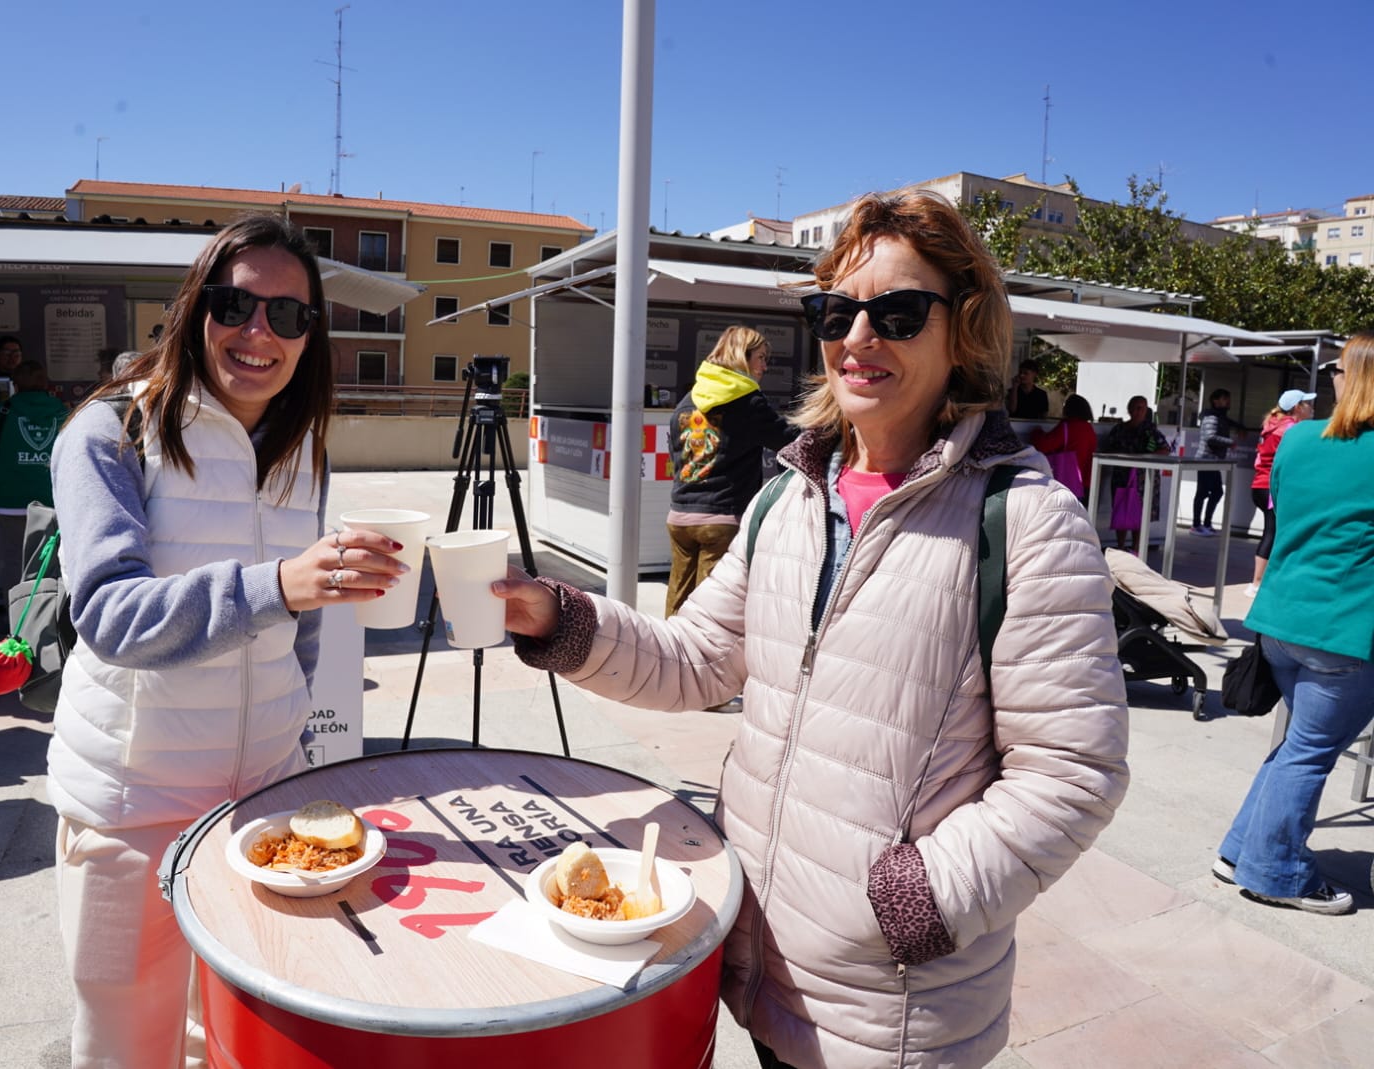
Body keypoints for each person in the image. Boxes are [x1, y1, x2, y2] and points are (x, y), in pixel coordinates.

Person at [495, 190, 1129, 1068]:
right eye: (838, 311)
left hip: (890, 1014)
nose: (859, 338)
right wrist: (558, 618)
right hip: (755, 966)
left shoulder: (1025, 520)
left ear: (965, 331)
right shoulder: (785, 500)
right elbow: (694, 660)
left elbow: (1071, 773)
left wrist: (909, 904)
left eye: (899, 312)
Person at [47, 213, 407, 1067]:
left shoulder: (300, 446)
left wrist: (301, 725)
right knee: (128, 1042)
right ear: (193, 307)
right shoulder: (108, 432)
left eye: (289, 317)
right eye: (236, 306)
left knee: (246, 1036)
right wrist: (280, 584)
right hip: (132, 810)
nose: (260, 334)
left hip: (263, 806)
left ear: (310, 337)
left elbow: (301, 629)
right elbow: (107, 613)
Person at [1214, 332, 1374, 916]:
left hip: (1280, 620)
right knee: (1308, 753)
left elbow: (1282, 514)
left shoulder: (1298, 438)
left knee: (1293, 749)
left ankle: (1239, 852)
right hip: (1346, 628)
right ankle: (1277, 872)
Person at [665, 325, 799, 617]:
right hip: (722, 518)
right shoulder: (747, 401)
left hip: (679, 517)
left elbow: (674, 448)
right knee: (709, 608)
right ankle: (697, 662)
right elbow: (787, 440)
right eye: (761, 357)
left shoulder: (690, 397)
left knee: (678, 599)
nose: (764, 366)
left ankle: (666, 653)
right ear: (742, 356)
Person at [0, 360, 69, 586]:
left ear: (15, 384)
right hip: (53, 500)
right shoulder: (62, 412)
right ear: (46, 384)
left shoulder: (2, 411)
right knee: (52, 561)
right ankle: (47, 616)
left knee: (15, 561)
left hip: (11, 500)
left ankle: (15, 618)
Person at [1245, 389, 1314, 598]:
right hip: (1272, 488)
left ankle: (1261, 581)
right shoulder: (1290, 429)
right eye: (1307, 403)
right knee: (1273, 533)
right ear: (1296, 407)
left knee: (1273, 532)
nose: (1311, 407)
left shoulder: (1272, 424)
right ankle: (1257, 583)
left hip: (1260, 486)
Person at [1100, 395, 1172, 551]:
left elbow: (1165, 449)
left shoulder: (1150, 430)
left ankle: (1135, 547)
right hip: (1121, 476)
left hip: (1143, 478)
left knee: (1139, 513)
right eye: (1136, 407)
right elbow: (1108, 449)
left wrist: (1144, 457)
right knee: (1121, 509)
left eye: (1143, 408)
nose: (1139, 411)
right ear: (1129, 409)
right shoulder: (1119, 429)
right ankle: (1120, 546)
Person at [1191, 387, 1243, 536]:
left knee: (1217, 492)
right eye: (1225, 399)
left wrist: (1241, 428)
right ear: (1215, 401)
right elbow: (1210, 437)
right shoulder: (1211, 417)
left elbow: (1229, 422)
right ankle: (1196, 525)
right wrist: (1230, 442)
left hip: (1213, 460)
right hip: (1205, 459)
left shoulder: (1220, 416)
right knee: (1203, 492)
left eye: (1228, 399)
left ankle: (1206, 523)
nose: (1228, 402)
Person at [1028, 392, 1096, 501]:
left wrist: (1036, 432)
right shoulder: (1089, 429)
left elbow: (1043, 445)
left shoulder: (1067, 426)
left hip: (1068, 482)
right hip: (1087, 483)